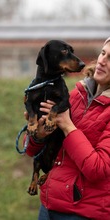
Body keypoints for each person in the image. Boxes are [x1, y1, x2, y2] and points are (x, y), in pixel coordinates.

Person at [24, 37, 110, 220]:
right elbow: (31, 150)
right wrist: (38, 135)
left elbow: (98, 169)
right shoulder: (75, 95)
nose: (102, 60)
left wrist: (68, 126)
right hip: (48, 207)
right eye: (103, 53)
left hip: (84, 213)